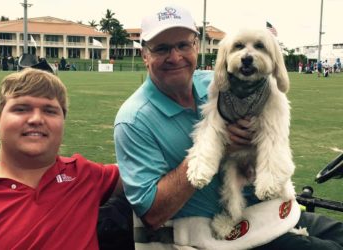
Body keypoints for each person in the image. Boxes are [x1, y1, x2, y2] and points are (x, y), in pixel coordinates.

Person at [114, 4, 343, 250]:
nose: (175, 56)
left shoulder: (219, 85)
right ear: (144, 55)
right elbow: (152, 214)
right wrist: (223, 147)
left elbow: (273, 122)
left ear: (196, 46)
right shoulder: (133, 120)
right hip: (218, 236)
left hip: (270, 213)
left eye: (183, 45)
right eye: (162, 48)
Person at [0, 68, 122, 249]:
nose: (36, 119)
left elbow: (139, 171)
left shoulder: (84, 175)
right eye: (21, 109)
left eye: (50, 111)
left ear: (63, 122)